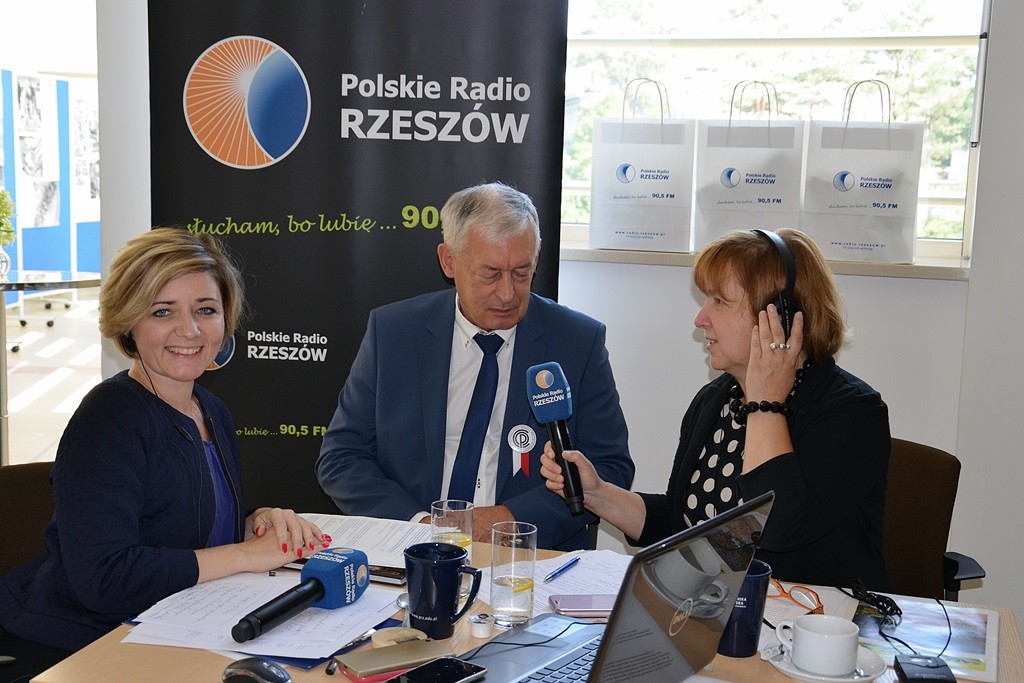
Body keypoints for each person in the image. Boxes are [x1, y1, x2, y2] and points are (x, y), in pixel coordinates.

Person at [0, 228, 328, 672]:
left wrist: (255, 522)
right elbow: (105, 577)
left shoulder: (209, 409)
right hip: (81, 643)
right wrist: (247, 555)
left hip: (177, 626)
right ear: (129, 322)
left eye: (206, 310)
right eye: (162, 311)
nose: (189, 330)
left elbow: (179, 526)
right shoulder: (109, 417)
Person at [541, 228, 894, 590]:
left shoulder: (852, 413)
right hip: (721, 609)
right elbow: (680, 523)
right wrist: (597, 494)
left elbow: (776, 529)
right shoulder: (716, 399)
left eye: (720, 302)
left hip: (818, 617)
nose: (701, 318)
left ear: (779, 318)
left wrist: (765, 403)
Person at [316, 182, 634, 551]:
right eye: (490, 273)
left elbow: (610, 469)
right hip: (415, 551)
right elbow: (342, 456)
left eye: (521, 272)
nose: (507, 293)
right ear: (448, 261)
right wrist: (422, 527)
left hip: (532, 556)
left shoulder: (578, 342)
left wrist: (507, 520)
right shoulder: (394, 332)